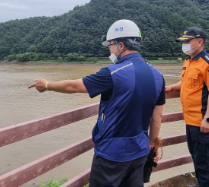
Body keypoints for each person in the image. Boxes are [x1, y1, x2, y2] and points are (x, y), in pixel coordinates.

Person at [28, 19, 166, 187]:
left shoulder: (113, 73)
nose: (110, 50)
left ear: (120, 45)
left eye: (110, 45)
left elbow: (74, 86)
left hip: (112, 154)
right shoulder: (157, 75)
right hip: (140, 151)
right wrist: (152, 144)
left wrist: (47, 85)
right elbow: (157, 116)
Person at [165, 27, 209, 187]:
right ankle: (202, 184)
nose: (184, 45)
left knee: (203, 159)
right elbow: (186, 82)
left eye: (187, 41)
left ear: (200, 42)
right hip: (191, 120)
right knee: (197, 156)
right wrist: (172, 87)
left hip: (203, 120)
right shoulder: (189, 61)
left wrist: (208, 118)